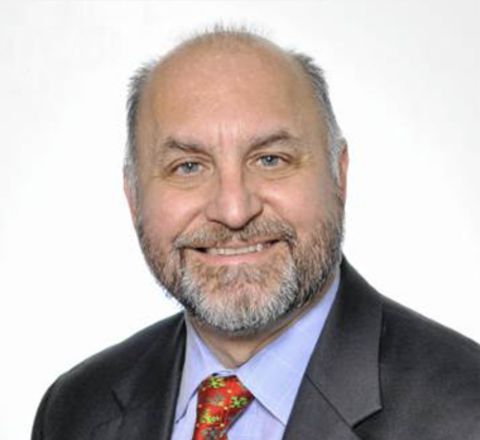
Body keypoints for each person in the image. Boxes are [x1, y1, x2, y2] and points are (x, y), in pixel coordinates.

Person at [32, 27, 480, 440]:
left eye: (271, 159)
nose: (233, 210)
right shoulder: (74, 411)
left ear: (338, 176)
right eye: (187, 167)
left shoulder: (466, 409)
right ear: (133, 198)